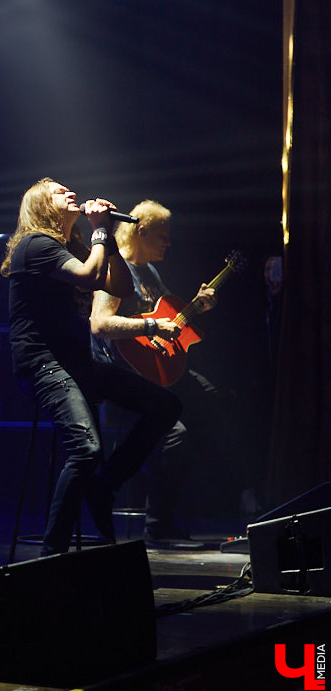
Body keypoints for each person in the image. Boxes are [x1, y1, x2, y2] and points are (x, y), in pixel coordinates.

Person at [1, 179, 181, 556]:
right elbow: (89, 277)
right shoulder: (35, 245)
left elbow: (121, 287)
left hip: (78, 364)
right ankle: (52, 555)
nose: (71, 193)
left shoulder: (72, 247)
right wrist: (100, 230)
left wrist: (107, 239)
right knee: (85, 450)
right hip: (44, 364)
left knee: (166, 405)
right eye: (59, 192)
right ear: (41, 207)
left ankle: (105, 484)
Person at [89, 199, 246, 547]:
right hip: (124, 373)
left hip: (158, 368)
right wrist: (152, 327)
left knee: (216, 401)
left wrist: (196, 308)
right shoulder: (118, 268)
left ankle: (224, 490)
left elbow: (170, 321)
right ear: (141, 232)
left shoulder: (150, 272)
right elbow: (101, 325)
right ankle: (154, 521)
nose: (169, 243)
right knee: (176, 435)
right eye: (162, 236)